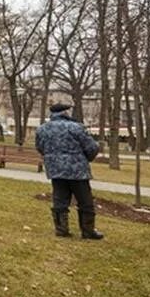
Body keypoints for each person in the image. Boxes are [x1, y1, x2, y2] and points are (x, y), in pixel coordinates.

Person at [35, 103, 103, 240]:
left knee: (59, 200)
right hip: (77, 170)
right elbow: (91, 148)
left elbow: (40, 147)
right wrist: (86, 158)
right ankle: (88, 231)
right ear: (65, 113)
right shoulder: (76, 127)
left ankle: (61, 229)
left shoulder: (42, 129)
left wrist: (53, 159)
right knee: (85, 201)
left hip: (56, 170)